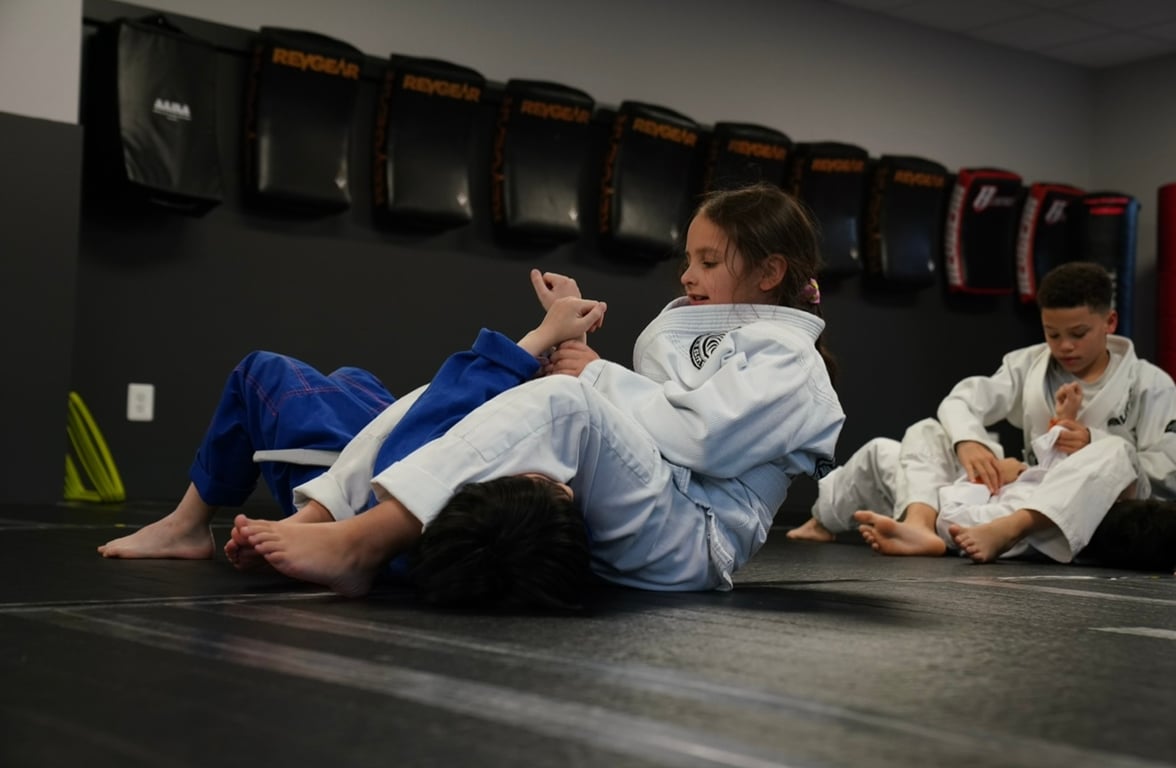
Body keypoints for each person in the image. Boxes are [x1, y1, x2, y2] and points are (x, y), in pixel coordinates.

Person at [232, 182, 846, 602]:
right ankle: (322, 514)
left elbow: (700, 439)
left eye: (709, 262)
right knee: (470, 389)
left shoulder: (792, 361)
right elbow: (644, 432)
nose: (688, 275)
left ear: (770, 272)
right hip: (659, 508)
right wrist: (575, 354)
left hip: (693, 541)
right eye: (688, 259)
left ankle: (363, 545)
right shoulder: (716, 337)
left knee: (565, 404)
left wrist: (593, 377)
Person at [97, 289, 607, 575]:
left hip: (371, 481)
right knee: (354, 378)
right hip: (415, 448)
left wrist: (541, 336)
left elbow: (440, 418)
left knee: (260, 372)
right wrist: (572, 348)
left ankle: (187, 526)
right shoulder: (596, 432)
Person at [790, 261, 1176, 564]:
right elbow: (962, 400)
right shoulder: (1029, 364)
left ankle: (1009, 528)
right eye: (1052, 334)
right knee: (920, 434)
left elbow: (1169, 470)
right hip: (1012, 491)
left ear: (1110, 322)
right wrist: (970, 444)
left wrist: (1093, 442)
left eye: (1078, 334)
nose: (1064, 346)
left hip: (1079, 509)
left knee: (1116, 451)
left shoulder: (1150, 385)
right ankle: (910, 524)